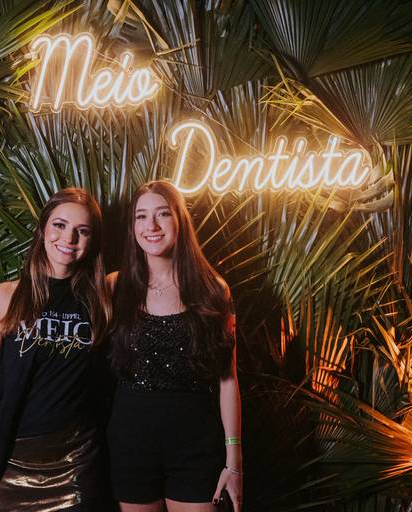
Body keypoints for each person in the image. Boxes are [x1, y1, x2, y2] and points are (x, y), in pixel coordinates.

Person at [0, 188, 111, 512]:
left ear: (92, 241)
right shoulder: (5, 298)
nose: (68, 238)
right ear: (43, 228)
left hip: (76, 461)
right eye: (59, 225)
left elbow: (159, 268)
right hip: (12, 461)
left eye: (82, 231)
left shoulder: (101, 299)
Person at [106, 180, 242, 512]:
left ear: (180, 221)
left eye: (162, 214)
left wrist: (234, 461)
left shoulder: (213, 289)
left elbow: (227, 380)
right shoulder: (115, 286)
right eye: (141, 216)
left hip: (196, 443)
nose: (150, 226)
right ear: (132, 227)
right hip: (130, 442)